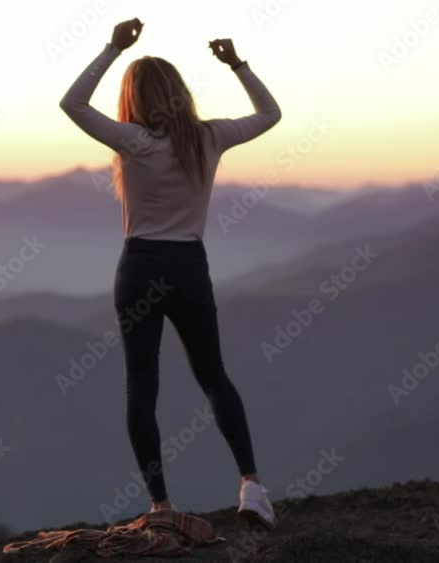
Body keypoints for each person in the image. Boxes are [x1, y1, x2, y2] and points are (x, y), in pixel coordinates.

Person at [59, 17, 282, 529]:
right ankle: (251, 486)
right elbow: (270, 114)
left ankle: (161, 506)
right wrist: (238, 65)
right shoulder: (210, 138)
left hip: (139, 268)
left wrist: (111, 48)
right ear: (180, 94)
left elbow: (72, 104)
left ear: (134, 99)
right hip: (188, 269)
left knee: (141, 387)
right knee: (213, 377)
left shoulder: (132, 142)